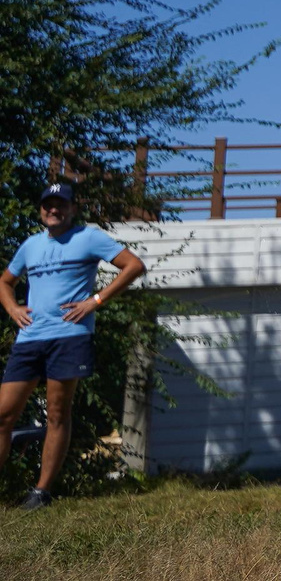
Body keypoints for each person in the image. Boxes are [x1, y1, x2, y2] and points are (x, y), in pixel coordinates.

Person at [0, 182, 144, 509]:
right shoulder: (31, 245)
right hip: (29, 339)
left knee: (57, 413)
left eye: (61, 204)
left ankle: (41, 493)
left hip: (69, 337)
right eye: (48, 205)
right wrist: (12, 308)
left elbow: (133, 266)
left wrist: (95, 300)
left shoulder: (88, 238)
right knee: (4, 415)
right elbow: (5, 281)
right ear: (40, 210)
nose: (54, 210)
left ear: (72, 209)